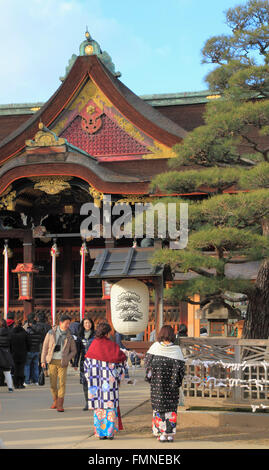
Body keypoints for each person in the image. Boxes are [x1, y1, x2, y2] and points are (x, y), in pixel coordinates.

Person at [84, 322, 126, 440]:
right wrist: (119, 376)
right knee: (110, 406)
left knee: (99, 407)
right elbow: (120, 362)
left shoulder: (93, 345)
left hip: (95, 383)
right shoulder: (112, 346)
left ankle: (100, 433)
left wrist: (90, 378)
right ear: (107, 333)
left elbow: (86, 365)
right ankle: (109, 432)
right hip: (109, 382)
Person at [144, 324, 185, 443]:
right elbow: (181, 369)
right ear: (172, 335)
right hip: (172, 386)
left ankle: (161, 434)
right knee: (171, 409)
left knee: (159, 408)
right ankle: (170, 434)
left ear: (160, 334)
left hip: (158, 385)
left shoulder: (155, 348)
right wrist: (177, 382)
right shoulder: (176, 350)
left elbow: (147, 365)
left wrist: (150, 378)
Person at [41, 314, 77, 412]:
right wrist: (43, 360)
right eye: (66, 323)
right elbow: (45, 347)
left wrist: (67, 358)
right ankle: (55, 401)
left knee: (62, 383)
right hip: (51, 361)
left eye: (69, 323)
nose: (68, 325)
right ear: (60, 323)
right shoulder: (51, 332)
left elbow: (74, 351)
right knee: (53, 384)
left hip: (62, 362)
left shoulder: (70, 335)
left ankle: (60, 404)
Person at [74, 317, 95, 410]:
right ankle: (87, 402)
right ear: (83, 325)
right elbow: (77, 351)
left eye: (89, 323)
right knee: (85, 383)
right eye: (86, 323)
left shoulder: (95, 335)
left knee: (94, 382)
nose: (87, 325)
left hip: (94, 362)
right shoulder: (80, 336)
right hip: (84, 361)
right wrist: (75, 363)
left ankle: (94, 401)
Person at [10, 320, 30, 389]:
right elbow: (28, 344)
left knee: (15, 369)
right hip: (23, 354)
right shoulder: (24, 334)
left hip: (14, 354)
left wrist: (10, 352)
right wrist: (28, 350)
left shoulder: (12, 334)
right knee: (21, 369)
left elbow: (9, 344)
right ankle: (21, 383)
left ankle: (15, 384)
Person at [24, 314, 43, 386]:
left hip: (29, 350)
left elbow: (26, 340)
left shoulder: (28, 330)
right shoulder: (39, 330)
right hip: (37, 349)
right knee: (35, 366)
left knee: (27, 365)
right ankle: (36, 381)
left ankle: (27, 381)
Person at [0, 319, 14, 392]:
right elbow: (12, 344)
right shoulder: (9, 332)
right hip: (6, 352)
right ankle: (10, 387)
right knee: (7, 371)